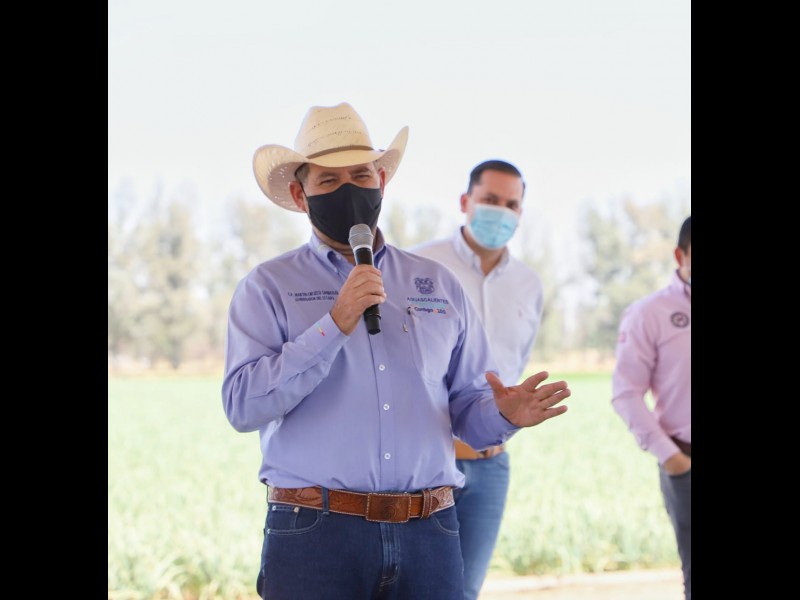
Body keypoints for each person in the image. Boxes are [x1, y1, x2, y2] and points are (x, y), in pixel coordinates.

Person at [221, 102, 572, 600]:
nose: (349, 190)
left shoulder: (437, 284)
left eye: (361, 175)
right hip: (315, 533)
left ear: (382, 181)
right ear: (300, 195)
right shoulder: (267, 286)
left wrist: (503, 414)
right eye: (329, 180)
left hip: (430, 531)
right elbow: (242, 406)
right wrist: (334, 324)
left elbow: (468, 408)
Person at [410, 159, 543, 600]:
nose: (500, 212)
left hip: (492, 466)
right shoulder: (420, 266)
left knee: (465, 593)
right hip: (427, 465)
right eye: (490, 200)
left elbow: (515, 369)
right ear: (466, 201)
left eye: (511, 205)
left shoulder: (528, 285)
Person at [611, 216, 691, 600]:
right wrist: (671, 458)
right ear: (680, 255)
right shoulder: (650, 313)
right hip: (686, 461)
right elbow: (625, 392)